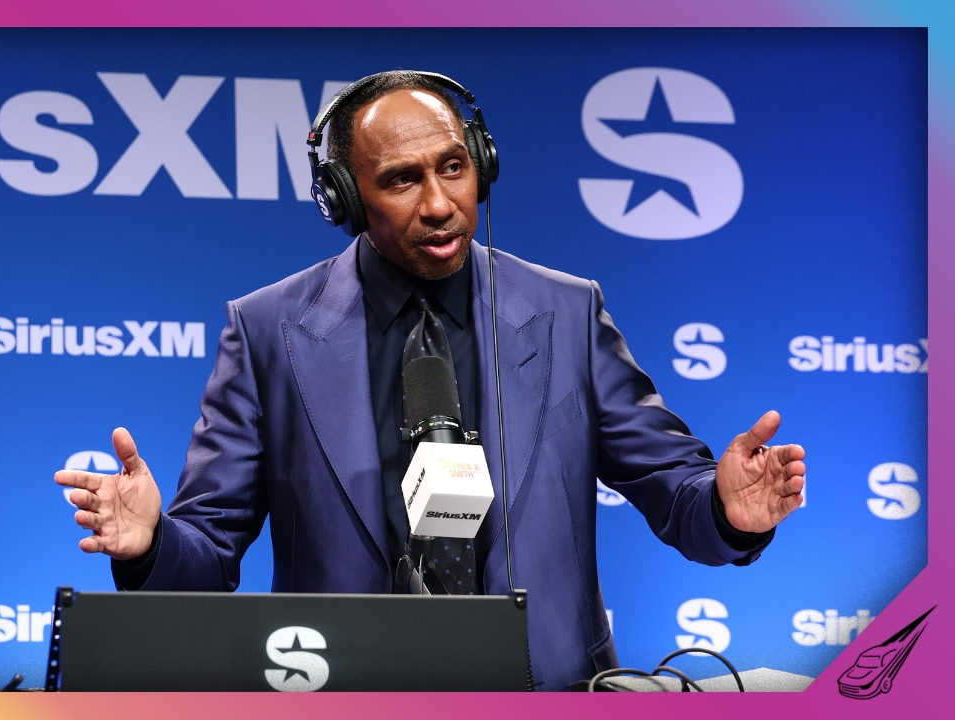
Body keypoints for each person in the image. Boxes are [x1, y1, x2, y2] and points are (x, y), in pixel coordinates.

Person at [54, 71, 806, 691]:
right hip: (345, 697)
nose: (441, 203)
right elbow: (207, 558)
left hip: (551, 698)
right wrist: (149, 545)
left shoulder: (566, 312)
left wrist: (730, 509)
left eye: (453, 166)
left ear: (482, 161)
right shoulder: (268, 332)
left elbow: (677, 495)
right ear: (343, 200)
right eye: (401, 180)